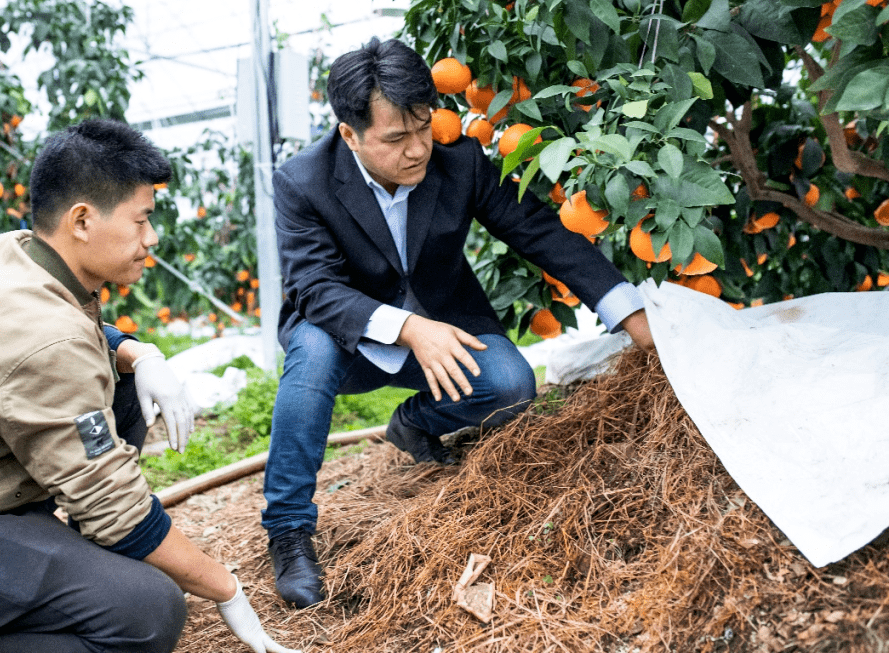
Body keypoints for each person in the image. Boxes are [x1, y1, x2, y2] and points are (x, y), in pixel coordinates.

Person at [0, 119, 298, 653]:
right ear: (83, 220)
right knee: (146, 613)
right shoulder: (46, 340)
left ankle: (52, 565)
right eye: (141, 221)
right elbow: (111, 499)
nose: (151, 239)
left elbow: (72, 338)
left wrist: (139, 352)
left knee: (121, 390)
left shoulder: (15, 251)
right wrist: (225, 588)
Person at [263, 38, 655, 608]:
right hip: (348, 335)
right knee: (314, 349)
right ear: (349, 134)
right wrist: (408, 328)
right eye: (396, 139)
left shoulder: (459, 160)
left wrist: (627, 311)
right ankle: (290, 530)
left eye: (424, 126)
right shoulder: (304, 182)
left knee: (511, 384)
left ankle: (416, 422)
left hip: (444, 328)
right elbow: (314, 287)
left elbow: (538, 231)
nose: (419, 148)